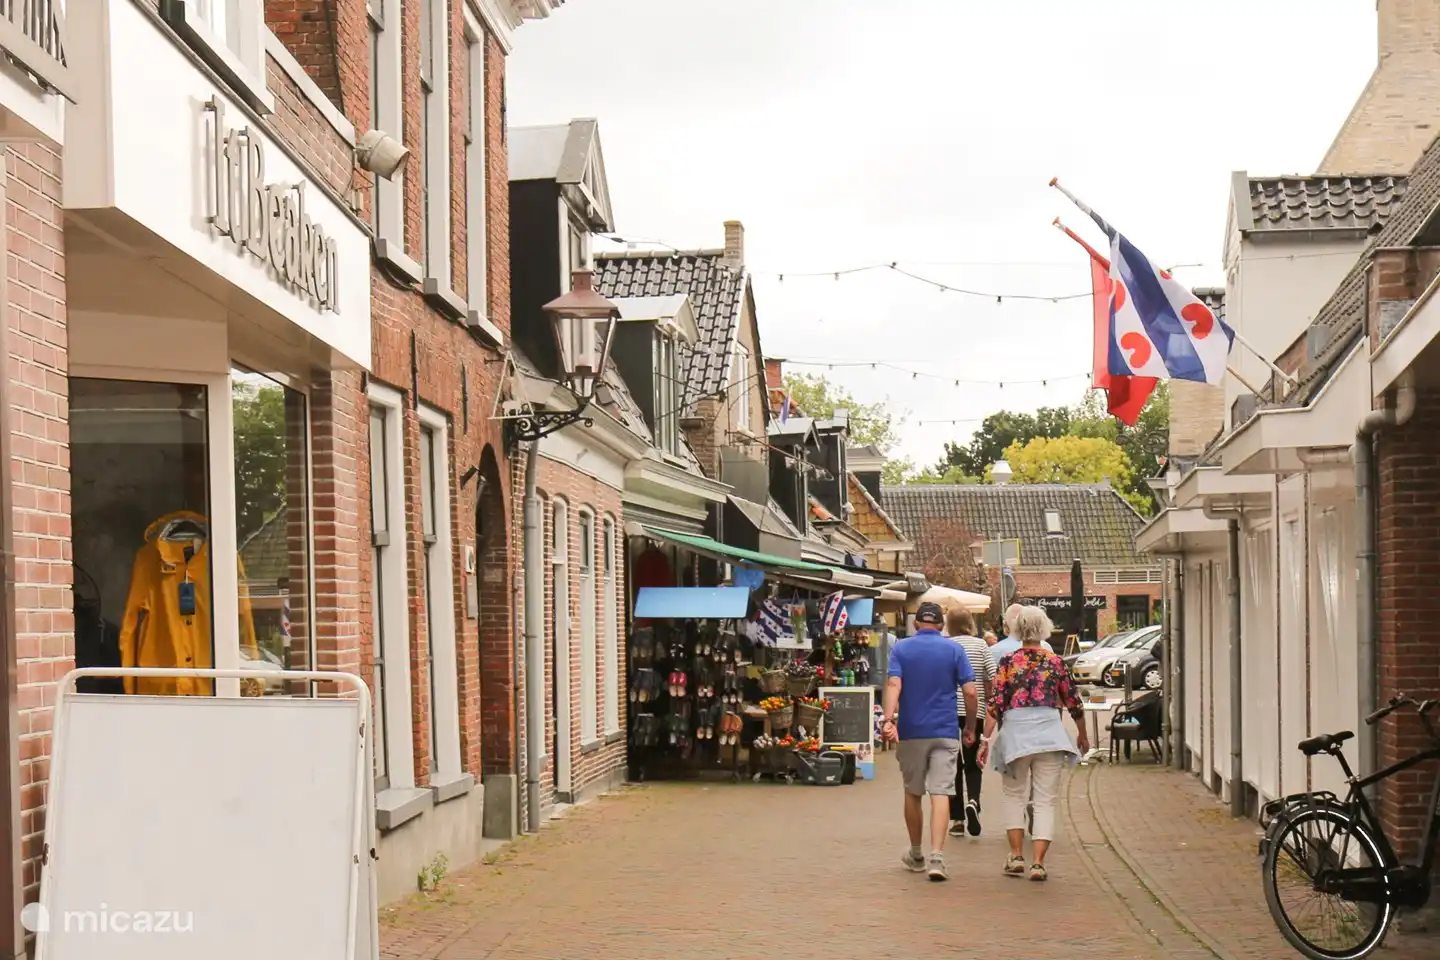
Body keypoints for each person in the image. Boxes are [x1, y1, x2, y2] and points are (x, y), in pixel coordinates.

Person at [978, 606, 1087, 882]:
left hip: (1015, 736)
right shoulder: (1056, 662)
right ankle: (1038, 863)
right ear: (1044, 629)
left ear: (1016, 629)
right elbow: (1074, 702)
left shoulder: (1007, 662)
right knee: (1045, 801)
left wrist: (985, 739)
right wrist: (1082, 735)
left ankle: (1016, 856)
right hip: (1049, 736)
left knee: (1014, 796)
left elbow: (995, 705)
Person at [880, 601, 978, 882]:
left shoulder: (901, 648)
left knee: (913, 793)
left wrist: (888, 719)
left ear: (915, 624)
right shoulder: (954, 649)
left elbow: (894, 685)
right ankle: (937, 857)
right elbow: (971, 693)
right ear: (940, 625)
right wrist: (970, 727)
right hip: (945, 731)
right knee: (941, 793)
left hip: (911, 731)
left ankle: (916, 853)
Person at [945, 607, 995, 838]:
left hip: (948, 710)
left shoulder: (946, 645)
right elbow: (991, 677)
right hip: (975, 710)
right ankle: (973, 801)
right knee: (973, 761)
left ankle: (956, 819)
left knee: (952, 764)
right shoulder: (981, 645)